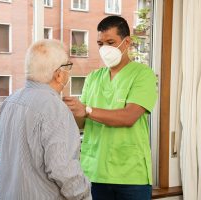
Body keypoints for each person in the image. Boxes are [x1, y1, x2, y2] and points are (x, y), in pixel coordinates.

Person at [63, 16, 157, 200]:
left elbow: (129, 117)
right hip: (94, 171)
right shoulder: (93, 78)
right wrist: (69, 110)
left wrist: (87, 110)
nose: (104, 48)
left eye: (110, 42)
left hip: (130, 175)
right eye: (100, 43)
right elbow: (81, 121)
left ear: (127, 42)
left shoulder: (143, 75)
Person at [0, 39, 91, 200]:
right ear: (59, 74)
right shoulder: (55, 109)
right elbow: (64, 170)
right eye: (68, 66)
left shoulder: (9, 102)